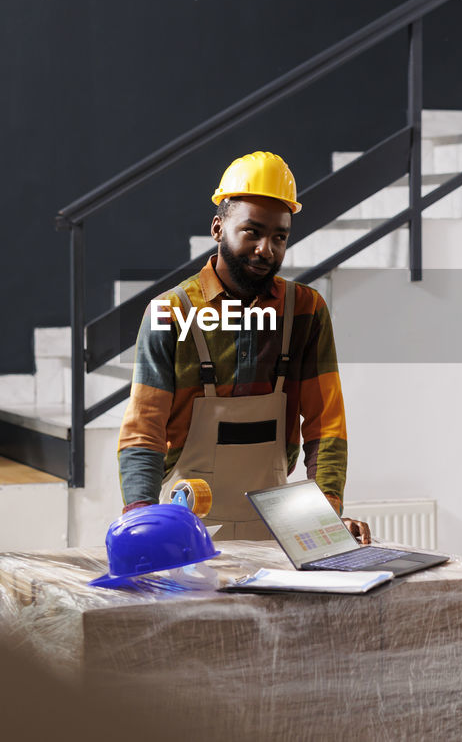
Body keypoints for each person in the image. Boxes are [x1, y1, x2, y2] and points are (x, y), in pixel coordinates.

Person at [116, 150, 370, 542]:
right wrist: (141, 517)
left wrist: (327, 512)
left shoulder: (305, 310)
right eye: (252, 231)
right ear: (218, 229)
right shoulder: (170, 312)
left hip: (277, 525)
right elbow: (143, 429)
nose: (266, 249)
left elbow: (326, 425)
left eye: (279, 237)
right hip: (186, 527)